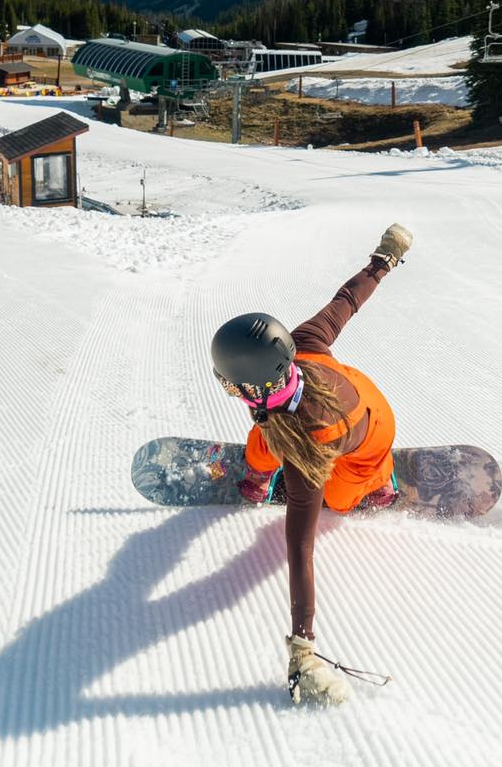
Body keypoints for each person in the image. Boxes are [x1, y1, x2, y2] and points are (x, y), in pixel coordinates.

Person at [210, 222, 413, 707]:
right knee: (264, 435)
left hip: (367, 433)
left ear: (258, 385)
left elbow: (299, 549)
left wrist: (303, 644)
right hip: (333, 392)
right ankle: (259, 473)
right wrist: (383, 260)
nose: (229, 389)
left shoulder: (310, 446)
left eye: (231, 383)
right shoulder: (300, 344)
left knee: (338, 502)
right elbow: (347, 300)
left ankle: (379, 483)